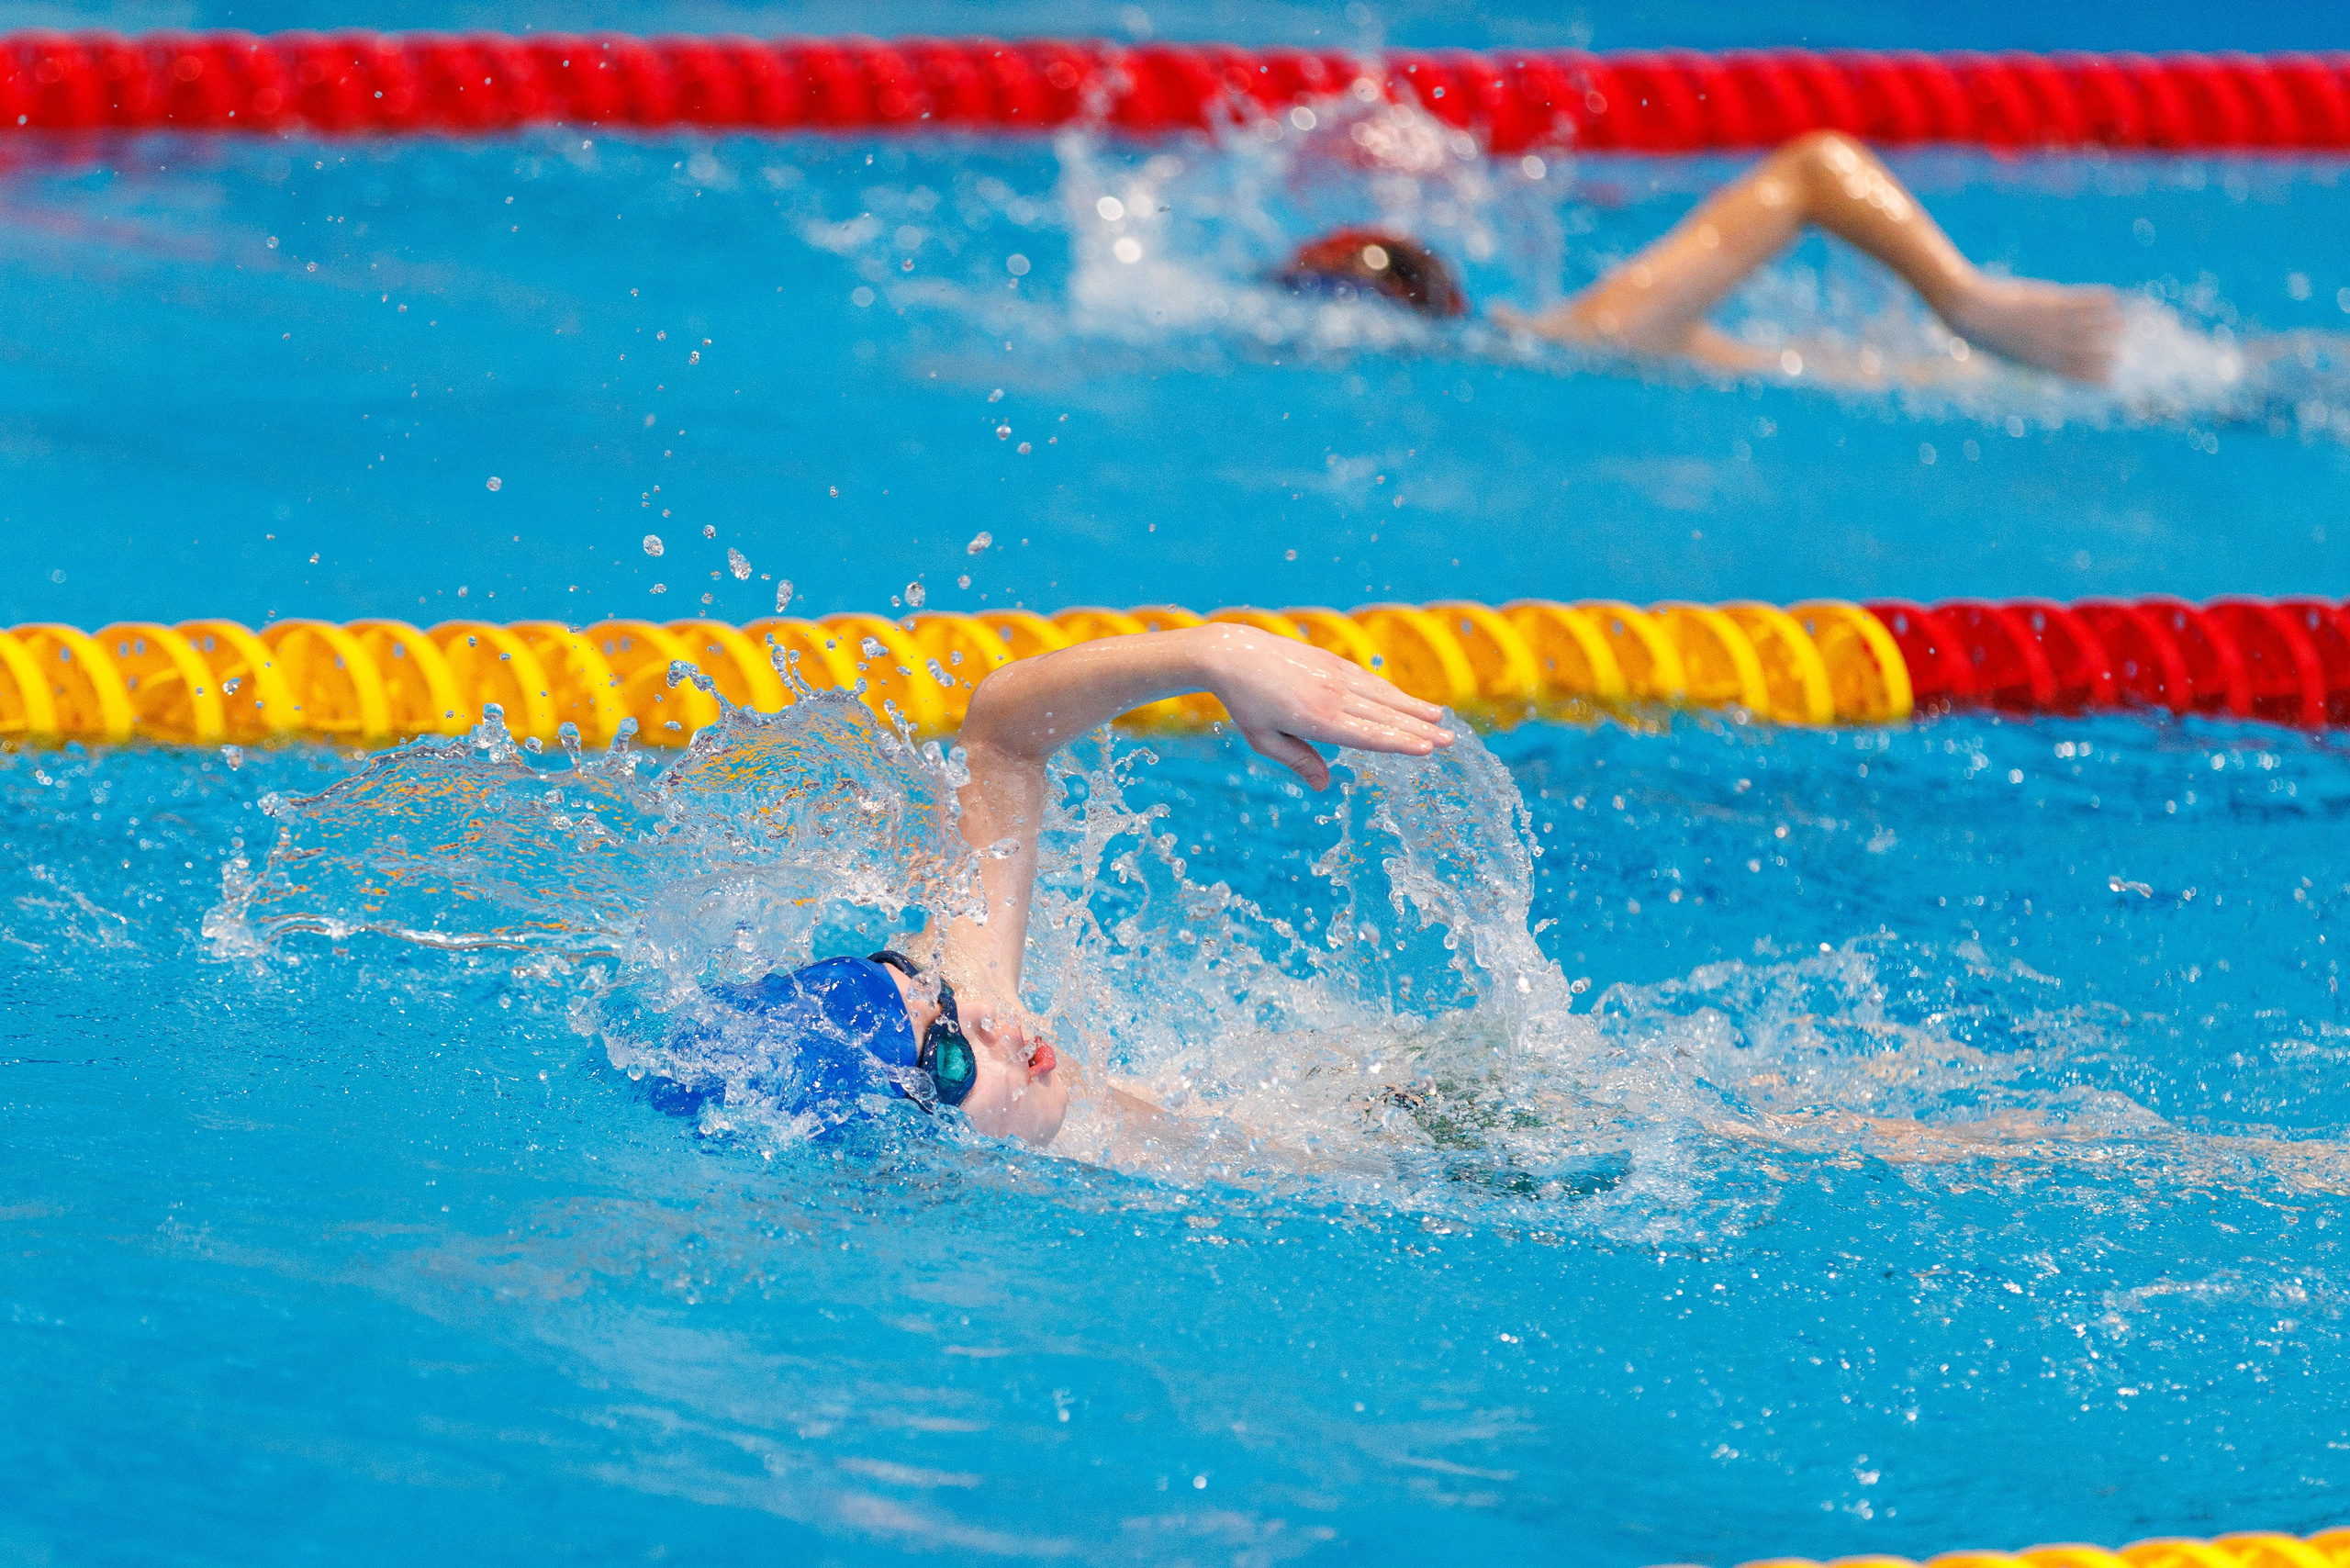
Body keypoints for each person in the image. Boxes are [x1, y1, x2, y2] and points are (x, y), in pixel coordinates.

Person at [688, 623, 1456, 1147]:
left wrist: (1216, 655)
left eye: (940, 991)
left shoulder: (984, 1032)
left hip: (1410, 1116)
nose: (990, 1014)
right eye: (950, 1051)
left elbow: (1002, 737)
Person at [1276, 129, 2123, 385]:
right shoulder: (1560, 340)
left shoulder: (1595, 333)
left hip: (2070, 366)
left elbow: (1816, 167)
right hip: (2089, 368)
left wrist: (1963, 298)